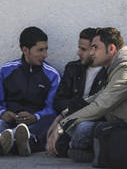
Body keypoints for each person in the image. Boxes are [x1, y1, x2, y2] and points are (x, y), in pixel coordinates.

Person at [49, 27, 127, 162]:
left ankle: (75, 149)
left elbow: (101, 105)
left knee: (82, 129)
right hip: (117, 125)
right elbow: (95, 98)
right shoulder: (117, 67)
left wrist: (62, 125)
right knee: (77, 125)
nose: (91, 53)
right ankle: (86, 151)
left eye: (95, 48)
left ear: (111, 49)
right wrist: (64, 115)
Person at [0, 26, 60, 157]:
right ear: (25, 50)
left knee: (48, 122)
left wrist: (36, 116)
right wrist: (3, 113)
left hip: (35, 123)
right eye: (40, 50)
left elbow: (53, 107)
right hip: (8, 121)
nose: (45, 55)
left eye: (46, 49)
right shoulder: (5, 70)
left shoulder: (52, 75)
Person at [46, 28, 106, 157]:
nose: (78, 53)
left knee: (83, 128)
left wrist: (65, 115)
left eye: (83, 50)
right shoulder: (73, 68)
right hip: (69, 118)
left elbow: (98, 105)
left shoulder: (107, 72)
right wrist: (66, 114)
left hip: (90, 120)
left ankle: (71, 147)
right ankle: (75, 148)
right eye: (79, 48)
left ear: (95, 50)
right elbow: (59, 100)